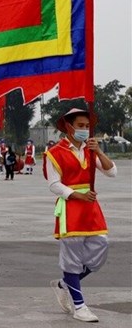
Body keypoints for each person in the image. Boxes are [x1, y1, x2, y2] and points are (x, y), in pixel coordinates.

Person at [46, 108, 117, 323]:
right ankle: (79, 306)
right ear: (69, 127)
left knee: (100, 247)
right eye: (80, 126)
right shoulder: (54, 153)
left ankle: (64, 284)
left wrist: (100, 151)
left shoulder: (91, 150)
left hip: (91, 207)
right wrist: (76, 195)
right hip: (70, 207)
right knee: (72, 258)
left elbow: (112, 172)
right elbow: (54, 184)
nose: (84, 130)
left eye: (87, 126)